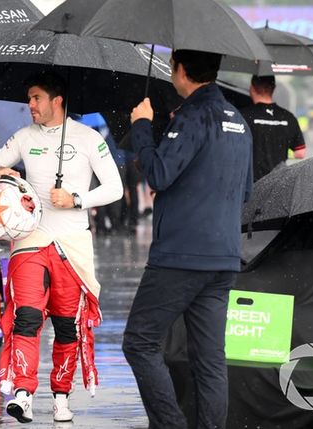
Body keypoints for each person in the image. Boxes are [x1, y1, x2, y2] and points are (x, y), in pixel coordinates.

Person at [0, 71, 124, 424]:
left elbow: (115, 188)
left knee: (66, 327)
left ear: (57, 100)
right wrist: (2, 171)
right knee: (26, 318)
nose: (30, 105)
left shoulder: (89, 138)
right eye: (29, 98)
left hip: (72, 244)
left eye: (36, 98)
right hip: (30, 240)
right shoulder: (24, 137)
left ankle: (61, 397)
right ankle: (24, 394)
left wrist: (76, 199)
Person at [121, 50, 252, 429]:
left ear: (180, 70)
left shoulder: (194, 116)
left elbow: (159, 174)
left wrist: (143, 126)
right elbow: (243, 192)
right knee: (210, 360)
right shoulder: (238, 121)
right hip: (224, 257)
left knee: (139, 342)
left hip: (181, 255)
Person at [238, 74, 306, 181]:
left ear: (252, 88)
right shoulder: (288, 117)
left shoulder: (243, 115)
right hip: (277, 183)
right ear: (273, 89)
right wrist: (279, 152)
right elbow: (300, 153)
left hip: (251, 183)